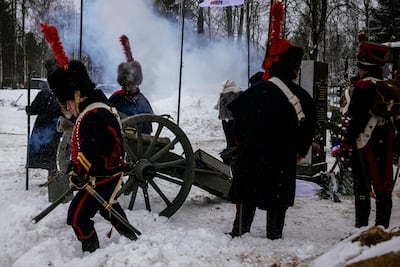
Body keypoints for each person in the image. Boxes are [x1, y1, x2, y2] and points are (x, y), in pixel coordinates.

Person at [226, 39, 317, 239]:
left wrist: (241, 142)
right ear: (293, 68)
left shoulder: (257, 91)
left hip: (252, 154)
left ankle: (240, 230)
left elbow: (238, 124)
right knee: (278, 198)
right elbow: (308, 129)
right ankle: (274, 233)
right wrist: (300, 151)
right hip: (283, 157)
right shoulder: (303, 97)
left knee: (247, 194)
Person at [48, 60, 138, 252]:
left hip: (103, 176)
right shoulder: (95, 110)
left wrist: (78, 172)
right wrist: (77, 168)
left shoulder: (93, 115)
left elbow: (89, 150)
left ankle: (93, 254)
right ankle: (132, 239)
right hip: (105, 173)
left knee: (77, 217)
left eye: (68, 103)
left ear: (78, 96)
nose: (69, 108)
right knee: (108, 208)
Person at [345, 33, 397, 229]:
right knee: (384, 185)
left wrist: (347, 142)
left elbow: (356, 118)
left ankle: (362, 229)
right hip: (386, 139)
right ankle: (382, 227)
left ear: (364, 67)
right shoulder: (386, 85)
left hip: (365, 140)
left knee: (363, 184)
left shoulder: (364, 87)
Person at [26, 59, 63, 190]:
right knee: (39, 151)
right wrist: (30, 110)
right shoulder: (43, 93)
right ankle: (51, 176)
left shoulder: (62, 95)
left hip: (54, 128)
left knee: (52, 152)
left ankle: (53, 177)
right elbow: (34, 109)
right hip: (40, 128)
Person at [108, 60, 154, 134]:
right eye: (129, 84)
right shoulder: (117, 97)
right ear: (124, 84)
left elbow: (150, 118)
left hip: (141, 136)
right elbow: (107, 112)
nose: (132, 87)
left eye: (134, 84)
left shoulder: (142, 99)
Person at [214, 80, 242, 163]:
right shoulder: (239, 93)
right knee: (235, 140)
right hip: (235, 119)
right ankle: (233, 158)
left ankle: (228, 158)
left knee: (229, 140)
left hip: (225, 119)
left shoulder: (223, 94)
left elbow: (217, 106)